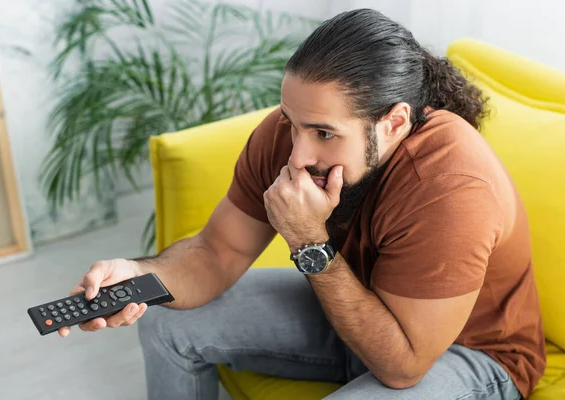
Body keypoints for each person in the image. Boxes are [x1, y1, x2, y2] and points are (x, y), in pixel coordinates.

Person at [58, 8, 546, 400]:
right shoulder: (290, 134)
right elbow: (217, 251)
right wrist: (138, 276)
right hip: (356, 308)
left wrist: (308, 240)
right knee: (164, 319)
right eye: (293, 121)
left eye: (324, 134)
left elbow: (403, 366)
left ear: (394, 123)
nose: (297, 153)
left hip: (467, 356)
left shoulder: (451, 185)